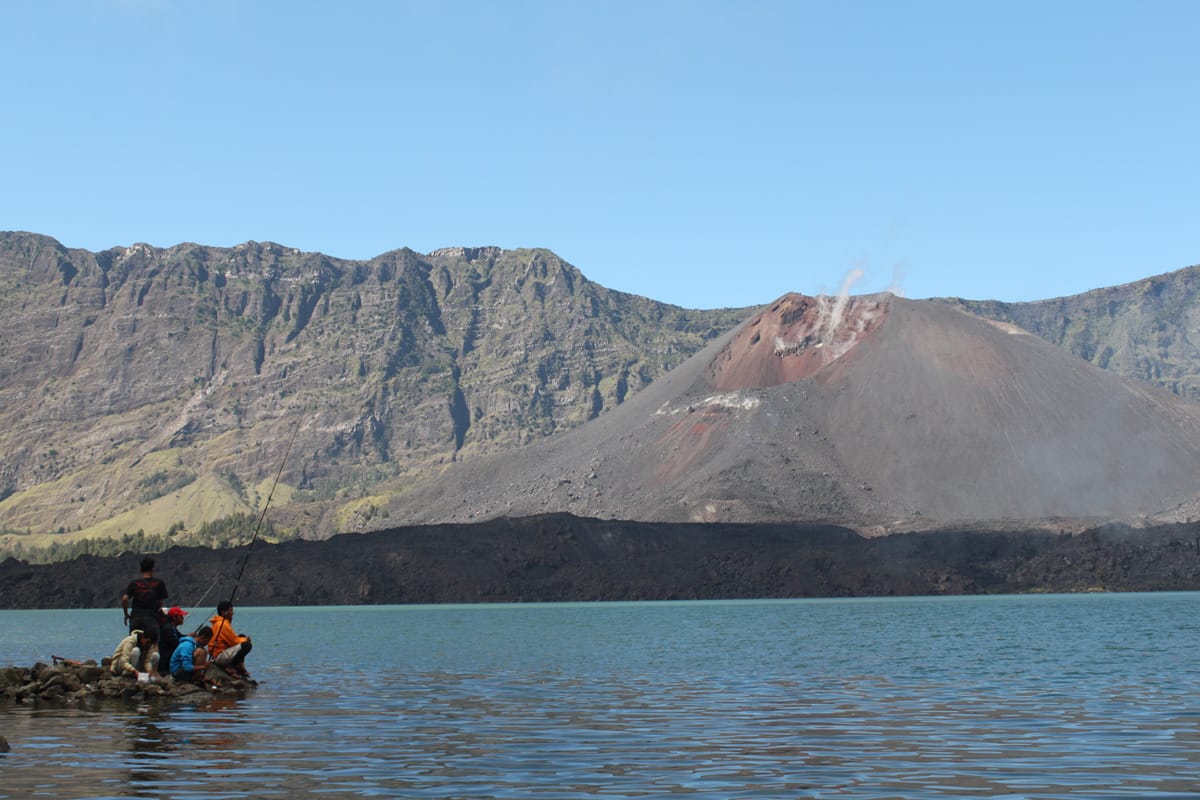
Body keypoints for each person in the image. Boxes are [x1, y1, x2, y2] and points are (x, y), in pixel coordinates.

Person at [121, 557, 169, 635]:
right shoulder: (159, 583)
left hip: (136, 616)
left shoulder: (134, 583)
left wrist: (126, 614)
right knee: (152, 643)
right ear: (152, 569)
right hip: (151, 617)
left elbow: (124, 598)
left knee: (134, 641)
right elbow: (160, 602)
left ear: (141, 569)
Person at [208, 600, 252, 677]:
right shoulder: (222, 624)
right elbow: (234, 642)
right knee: (246, 645)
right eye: (230, 611)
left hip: (218, 652)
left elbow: (233, 639)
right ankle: (230, 667)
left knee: (242, 636)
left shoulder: (221, 622)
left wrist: (243, 638)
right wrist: (246, 640)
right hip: (219, 656)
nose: (232, 613)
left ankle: (239, 665)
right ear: (223, 612)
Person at [158, 606, 188, 670]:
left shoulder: (171, 627)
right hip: (166, 660)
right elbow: (176, 643)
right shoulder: (168, 628)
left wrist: (189, 636)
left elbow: (180, 636)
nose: (183, 618)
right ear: (174, 617)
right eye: (181, 616)